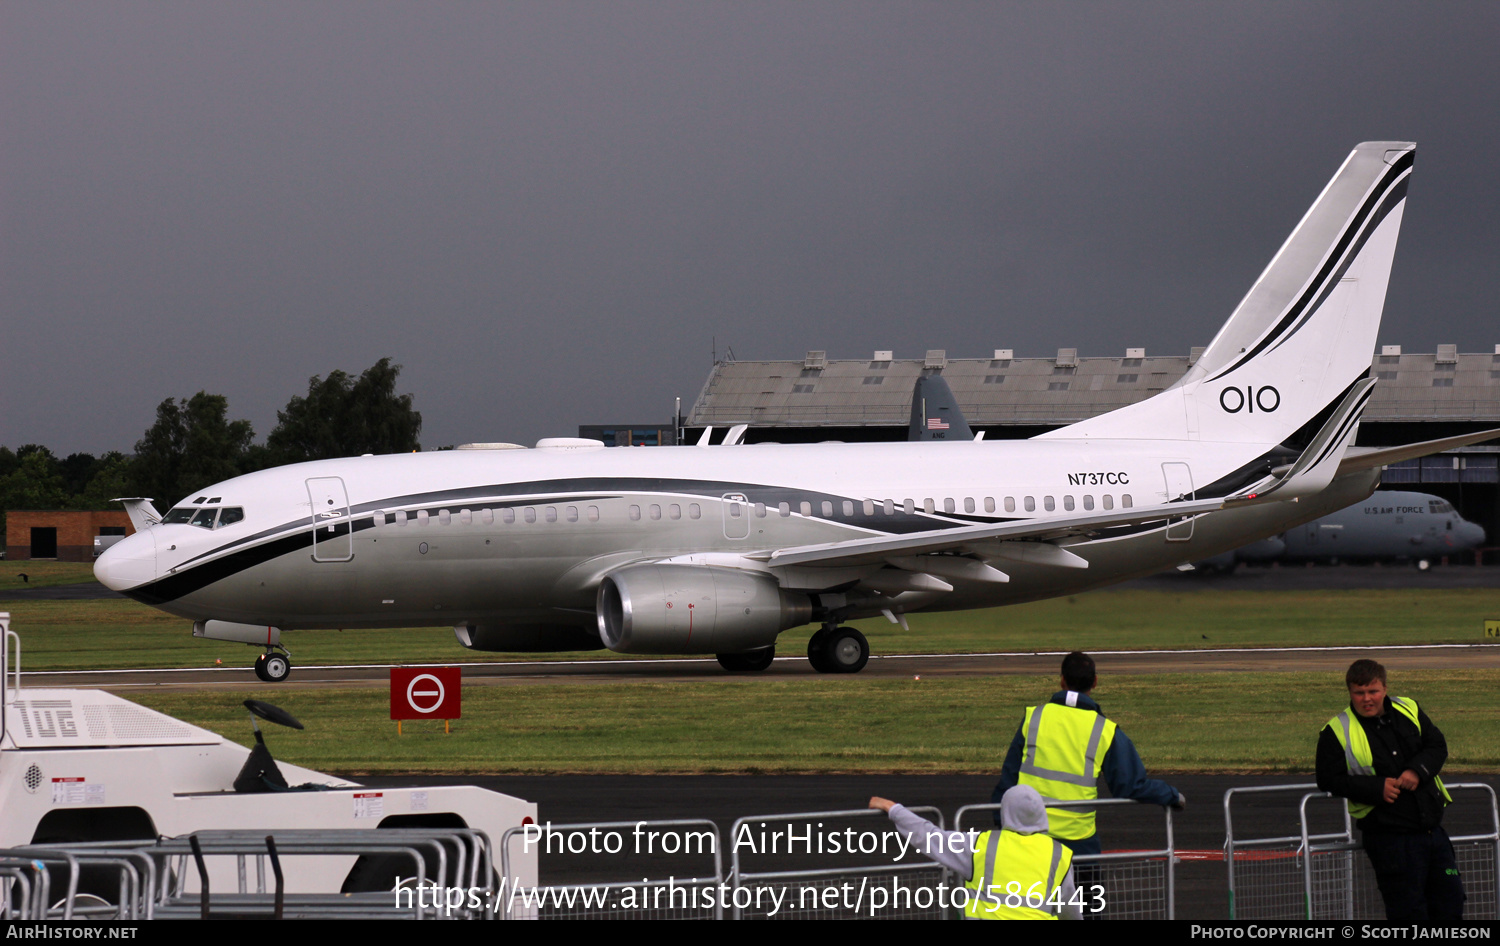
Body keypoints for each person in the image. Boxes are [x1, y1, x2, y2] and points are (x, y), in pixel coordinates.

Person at [992, 651, 1183, 857]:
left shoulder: (1034, 718)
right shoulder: (1105, 730)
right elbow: (1131, 786)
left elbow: (1008, 779)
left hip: (1028, 836)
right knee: (1086, 890)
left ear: (1062, 680)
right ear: (1095, 682)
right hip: (1078, 845)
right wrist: (1171, 795)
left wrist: (1002, 821)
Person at [1316, 658, 1464, 922]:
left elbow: (1437, 746)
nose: (1366, 699)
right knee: (1409, 913)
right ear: (1349, 692)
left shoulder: (1409, 708)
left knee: (1450, 906)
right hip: (1390, 839)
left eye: (1372, 691)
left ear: (1384, 688)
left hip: (1433, 833)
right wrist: (1376, 788)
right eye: (1359, 693)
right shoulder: (1336, 730)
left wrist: (1417, 771)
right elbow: (1327, 779)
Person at [870, 785, 1081, 920]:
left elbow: (928, 836)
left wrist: (893, 808)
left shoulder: (981, 844)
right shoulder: (1058, 854)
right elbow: (1070, 912)